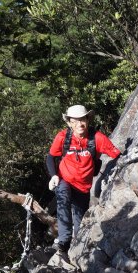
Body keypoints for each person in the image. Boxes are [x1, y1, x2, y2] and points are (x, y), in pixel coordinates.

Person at [46, 105, 121, 255]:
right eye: (74, 121)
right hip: (64, 180)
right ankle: (63, 241)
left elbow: (117, 155)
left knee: (80, 224)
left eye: (82, 120)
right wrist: (54, 175)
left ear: (88, 119)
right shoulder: (63, 137)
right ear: (69, 123)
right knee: (63, 197)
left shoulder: (97, 138)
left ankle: (76, 248)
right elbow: (51, 156)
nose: (79, 124)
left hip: (83, 187)